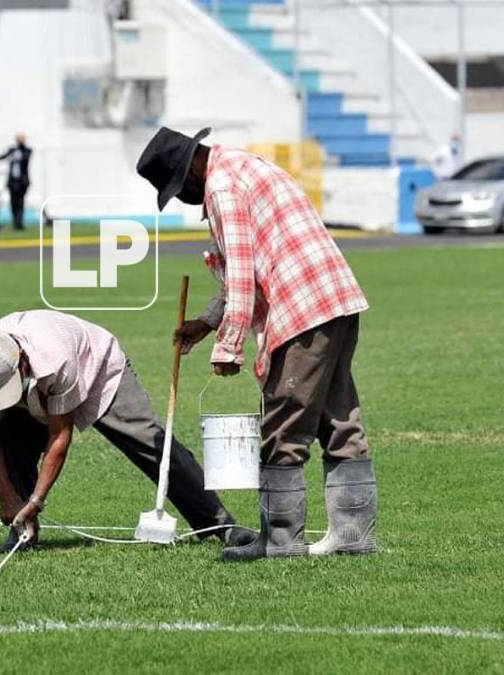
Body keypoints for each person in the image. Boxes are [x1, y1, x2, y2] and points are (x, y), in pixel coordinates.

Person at [137, 127, 378, 561]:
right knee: (338, 418)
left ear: (190, 171)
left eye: (179, 190)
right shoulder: (244, 166)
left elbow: (242, 271)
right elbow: (251, 260)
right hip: (333, 298)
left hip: (302, 307)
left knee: (283, 424)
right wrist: (208, 322)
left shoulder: (220, 187)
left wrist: (228, 346)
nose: (186, 200)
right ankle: (353, 534)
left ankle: (280, 541)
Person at [0, 309, 256, 553]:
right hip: (38, 377)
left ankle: (220, 524)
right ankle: (23, 530)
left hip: (97, 368)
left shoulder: (55, 358)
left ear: (21, 362)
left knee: (149, 440)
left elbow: (59, 436)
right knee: (11, 441)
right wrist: (7, 496)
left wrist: (36, 501)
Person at [0, 134, 32, 230]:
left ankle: (19, 223)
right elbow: (4, 156)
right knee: (13, 202)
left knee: (20, 202)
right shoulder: (12, 150)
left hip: (22, 182)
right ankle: (15, 222)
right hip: (12, 181)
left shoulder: (27, 150)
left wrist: (15, 156)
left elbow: (25, 157)